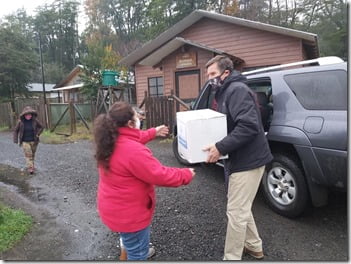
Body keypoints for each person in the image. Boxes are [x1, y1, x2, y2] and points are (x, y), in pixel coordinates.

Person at [94, 101, 195, 261]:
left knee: (129, 240)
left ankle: (131, 249)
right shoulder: (133, 151)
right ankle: (137, 253)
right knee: (137, 254)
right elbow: (159, 175)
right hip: (130, 216)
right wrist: (186, 174)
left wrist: (153, 132)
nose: (140, 118)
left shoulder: (110, 139)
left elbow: (133, 138)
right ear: (130, 123)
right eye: (137, 116)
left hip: (115, 209)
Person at [203, 55, 273, 260]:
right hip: (239, 158)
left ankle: (231, 257)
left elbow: (249, 126)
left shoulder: (236, 90)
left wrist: (220, 147)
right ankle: (254, 246)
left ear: (226, 73)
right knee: (240, 207)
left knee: (236, 211)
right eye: (208, 75)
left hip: (249, 161)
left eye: (213, 74)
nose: (210, 79)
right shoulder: (224, 92)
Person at [13, 106, 44, 174]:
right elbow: (15, 130)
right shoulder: (20, 122)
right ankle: (30, 168)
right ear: (24, 115)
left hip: (34, 141)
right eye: (27, 114)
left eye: (30, 114)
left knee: (32, 154)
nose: (28, 116)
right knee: (28, 155)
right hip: (25, 141)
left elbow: (41, 127)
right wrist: (15, 140)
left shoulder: (35, 121)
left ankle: (31, 165)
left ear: (32, 114)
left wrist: (38, 134)